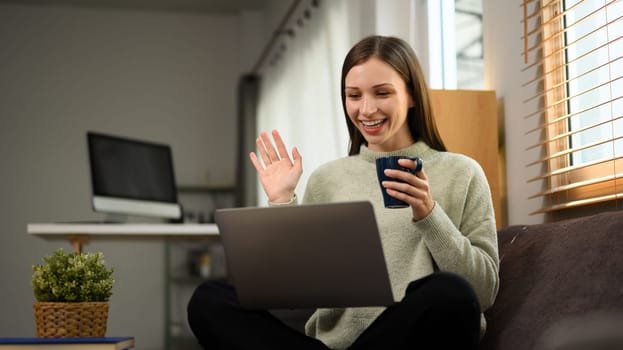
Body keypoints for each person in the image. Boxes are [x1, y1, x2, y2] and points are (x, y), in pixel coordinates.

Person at [188, 35, 499, 350]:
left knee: (450, 293)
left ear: (412, 95)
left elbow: (482, 293)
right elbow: (296, 289)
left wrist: (430, 214)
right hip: (333, 344)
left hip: (402, 340)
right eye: (354, 95)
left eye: (382, 93)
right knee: (208, 300)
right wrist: (282, 202)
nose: (366, 109)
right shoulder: (328, 178)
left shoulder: (462, 172)